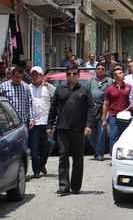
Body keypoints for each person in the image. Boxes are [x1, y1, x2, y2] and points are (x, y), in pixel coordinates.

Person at [47, 66, 95, 195]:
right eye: (69, 73)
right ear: (66, 75)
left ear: (78, 75)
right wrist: (49, 126)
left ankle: (75, 187)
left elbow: (91, 109)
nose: (72, 75)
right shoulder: (60, 89)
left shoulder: (84, 90)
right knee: (63, 156)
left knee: (78, 158)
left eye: (74, 73)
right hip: (62, 128)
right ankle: (63, 186)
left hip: (79, 129)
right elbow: (52, 108)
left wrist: (88, 125)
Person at [29, 66, 56, 177]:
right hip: (33, 122)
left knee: (48, 145)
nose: (35, 77)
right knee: (34, 150)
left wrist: (48, 85)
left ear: (42, 76)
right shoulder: (27, 88)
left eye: (37, 75)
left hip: (46, 122)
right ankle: (36, 171)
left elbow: (57, 95)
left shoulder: (48, 87)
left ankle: (42, 164)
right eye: (33, 75)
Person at [102, 67, 132, 153]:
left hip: (126, 116)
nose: (122, 74)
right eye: (119, 73)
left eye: (122, 72)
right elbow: (106, 104)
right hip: (113, 116)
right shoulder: (110, 89)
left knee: (125, 136)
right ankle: (114, 155)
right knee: (113, 136)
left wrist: (128, 109)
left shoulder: (129, 87)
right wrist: (104, 119)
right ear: (115, 76)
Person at [87, 63, 113, 161]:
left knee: (101, 131)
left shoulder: (110, 81)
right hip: (92, 109)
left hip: (104, 108)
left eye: (102, 69)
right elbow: (86, 94)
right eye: (98, 69)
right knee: (90, 133)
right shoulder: (91, 81)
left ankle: (99, 153)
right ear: (95, 70)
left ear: (105, 70)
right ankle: (96, 150)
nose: (100, 70)